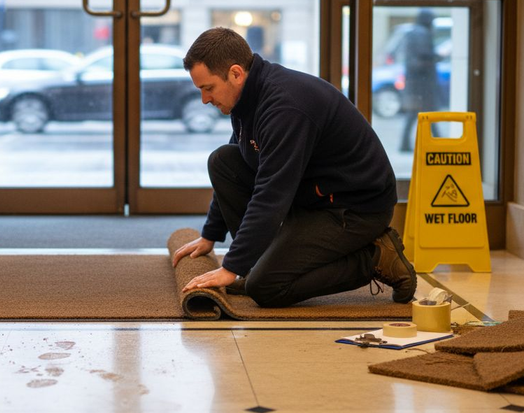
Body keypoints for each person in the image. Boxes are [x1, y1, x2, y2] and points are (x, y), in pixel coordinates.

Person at [171, 27, 417, 307]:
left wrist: (231, 267)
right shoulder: (247, 98)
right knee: (223, 161)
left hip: (354, 208)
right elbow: (241, 165)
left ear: (236, 74)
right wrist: (210, 235)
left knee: (266, 288)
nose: (204, 99)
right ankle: (259, 263)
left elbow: (271, 194)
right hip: (312, 197)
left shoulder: (285, 107)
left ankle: (374, 257)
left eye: (208, 88)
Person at [399, 9, 441, 152]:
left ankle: (406, 144)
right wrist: (438, 56)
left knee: (414, 114)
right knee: (428, 114)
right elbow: (424, 56)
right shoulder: (422, 33)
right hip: (422, 82)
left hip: (415, 81)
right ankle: (438, 143)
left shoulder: (412, 32)